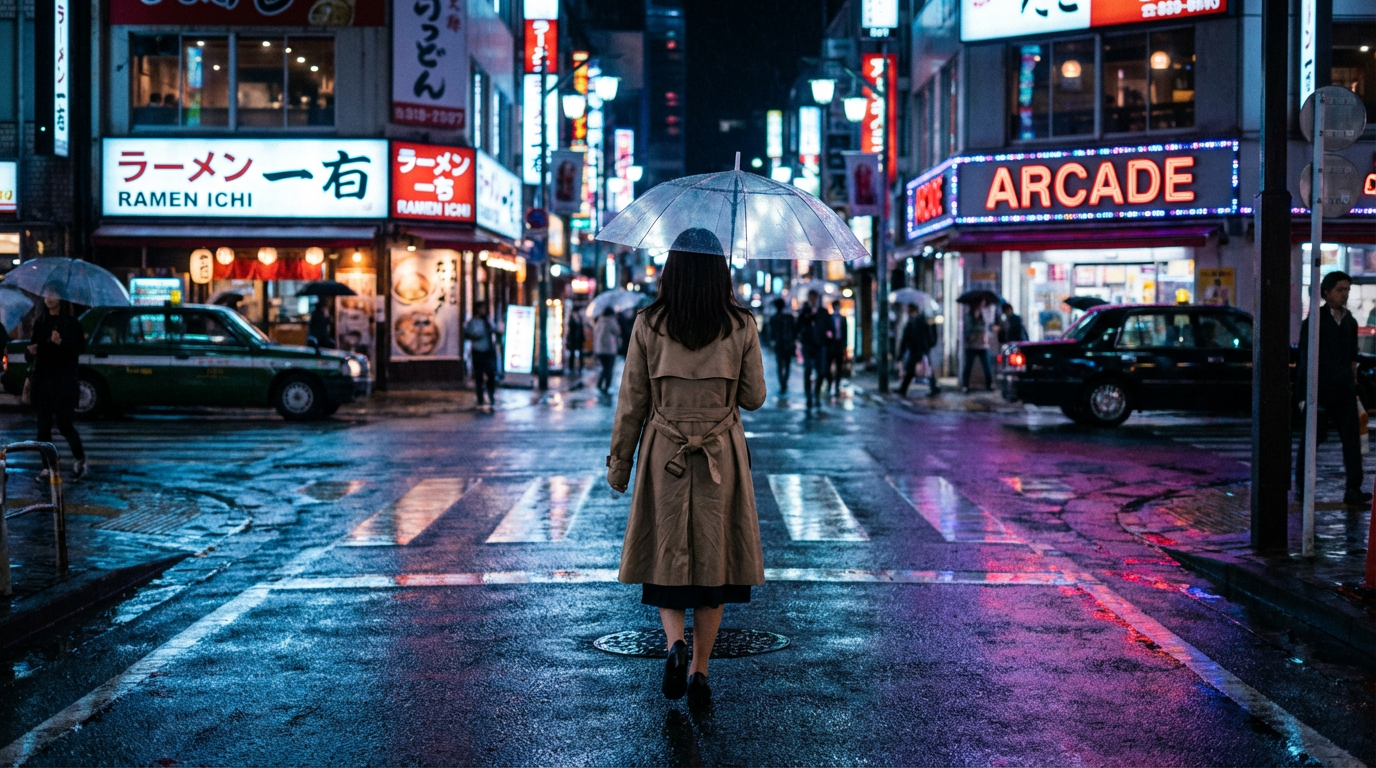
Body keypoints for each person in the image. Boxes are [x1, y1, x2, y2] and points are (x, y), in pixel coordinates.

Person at [606, 227, 766, 707]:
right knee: (715, 566)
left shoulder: (648, 324)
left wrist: (620, 463)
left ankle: (674, 645)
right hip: (721, 452)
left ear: (671, 269)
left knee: (667, 555)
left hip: (664, 452)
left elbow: (632, 400)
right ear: (721, 271)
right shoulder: (740, 324)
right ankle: (699, 671)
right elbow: (754, 398)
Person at [1295, 271, 1372, 507]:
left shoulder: (1349, 321)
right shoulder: (1315, 321)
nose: (1344, 294)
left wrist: (1353, 383)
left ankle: (1353, 488)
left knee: (1352, 441)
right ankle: (1301, 485)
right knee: (1312, 440)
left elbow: (1351, 356)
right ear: (1326, 293)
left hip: (1344, 390)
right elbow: (1305, 358)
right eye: (1340, 290)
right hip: (1319, 390)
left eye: (1347, 290)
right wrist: (1304, 396)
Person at [28, 291, 87, 480]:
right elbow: (32, 353)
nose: (49, 298)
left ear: (61, 298)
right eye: (46, 294)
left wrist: (61, 342)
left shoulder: (70, 323)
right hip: (43, 380)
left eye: (53, 294)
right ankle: (48, 466)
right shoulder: (41, 322)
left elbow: (79, 349)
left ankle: (80, 459)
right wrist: (31, 350)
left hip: (64, 381)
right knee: (43, 427)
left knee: (64, 424)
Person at [796, 290, 833, 410]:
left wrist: (827, 335)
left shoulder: (823, 311)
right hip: (807, 345)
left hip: (820, 345)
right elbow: (798, 325)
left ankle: (816, 394)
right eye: (810, 297)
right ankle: (809, 397)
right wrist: (806, 314)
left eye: (814, 298)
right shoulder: (804, 311)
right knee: (807, 370)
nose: (812, 300)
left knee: (821, 372)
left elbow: (829, 326)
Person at [463, 301, 499, 407]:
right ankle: (480, 398)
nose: (482, 310)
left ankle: (491, 395)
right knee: (479, 376)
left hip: (487, 351)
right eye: (481, 308)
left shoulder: (488, 320)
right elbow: (468, 334)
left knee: (490, 374)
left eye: (483, 308)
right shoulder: (472, 322)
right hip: (477, 351)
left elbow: (495, 329)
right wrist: (474, 336)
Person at [897, 304, 938, 397]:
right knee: (914, 370)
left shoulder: (919, 322)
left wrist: (926, 347)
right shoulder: (913, 322)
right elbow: (906, 339)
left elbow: (928, 336)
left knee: (924, 369)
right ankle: (903, 388)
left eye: (909, 310)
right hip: (917, 350)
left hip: (921, 350)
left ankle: (934, 388)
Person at [961, 300, 994, 393]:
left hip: (983, 345)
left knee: (987, 366)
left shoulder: (984, 314)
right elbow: (968, 328)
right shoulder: (969, 316)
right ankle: (965, 385)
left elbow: (987, 325)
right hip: (971, 345)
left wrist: (982, 314)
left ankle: (989, 384)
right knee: (968, 366)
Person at [765, 298, 797, 394]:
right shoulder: (789, 317)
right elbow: (794, 330)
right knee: (787, 365)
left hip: (779, 344)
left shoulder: (774, 318)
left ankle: (782, 383)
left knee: (780, 365)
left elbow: (771, 333)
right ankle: (784, 383)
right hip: (787, 343)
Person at [593, 306, 622, 394]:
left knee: (604, 367)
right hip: (610, 349)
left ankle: (600, 383)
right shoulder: (612, 321)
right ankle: (606, 386)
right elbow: (618, 331)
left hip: (600, 349)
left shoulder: (599, 321)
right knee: (609, 368)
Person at [826, 299, 847, 397]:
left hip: (839, 345)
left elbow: (845, 333)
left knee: (839, 367)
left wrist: (844, 346)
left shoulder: (843, 318)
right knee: (828, 366)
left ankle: (837, 386)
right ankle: (829, 384)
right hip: (831, 345)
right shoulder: (829, 318)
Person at [566, 312, 587, 378]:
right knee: (572, 354)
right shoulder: (571, 322)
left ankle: (581, 367)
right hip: (573, 340)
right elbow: (570, 331)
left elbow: (581, 331)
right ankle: (571, 367)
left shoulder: (580, 321)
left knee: (581, 354)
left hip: (579, 341)